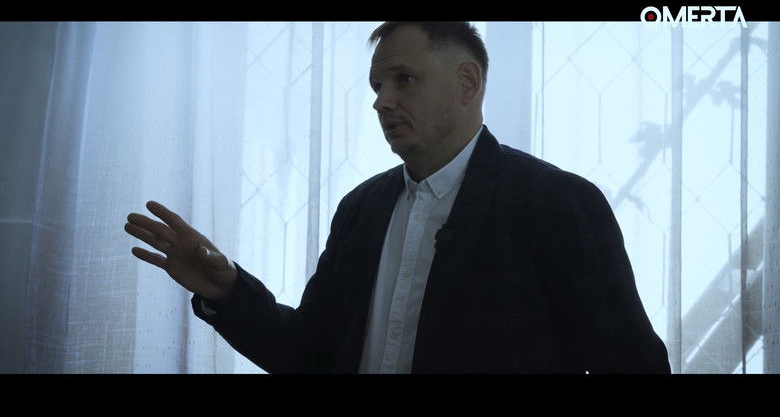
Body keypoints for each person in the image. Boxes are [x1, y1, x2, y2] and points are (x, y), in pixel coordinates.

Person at [124, 22, 671, 373]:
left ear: (467, 82)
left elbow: (631, 365)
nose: (382, 102)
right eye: (377, 86)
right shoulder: (360, 209)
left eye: (403, 79)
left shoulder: (557, 202)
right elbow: (311, 354)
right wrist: (226, 290)